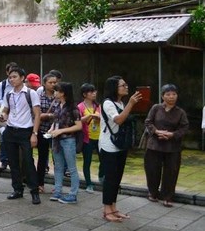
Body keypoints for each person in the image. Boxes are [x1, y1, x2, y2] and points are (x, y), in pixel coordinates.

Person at [99, 76, 142, 222]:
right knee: (110, 179)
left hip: (120, 144)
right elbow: (118, 119)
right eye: (122, 85)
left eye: (125, 84)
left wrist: (128, 104)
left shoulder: (121, 102)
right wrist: (131, 103)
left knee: (117, 178)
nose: (126, 87)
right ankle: (106, 210)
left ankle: (114, 208)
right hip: (109, 145)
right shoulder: (107, 103)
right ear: (114, 88)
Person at [0, 66, 41, 205]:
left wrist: (34, 133)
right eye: (10, 77)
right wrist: (3, 115)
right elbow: (5, 109)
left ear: (22, 78)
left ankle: (34, 191)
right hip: (11, 130)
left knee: (28, 162)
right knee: (13, 162)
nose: (12, 79)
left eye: (15, 76)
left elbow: (37, 114)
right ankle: (17, 189)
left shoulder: (30, 93)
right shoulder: (9, 94)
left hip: (25, 131)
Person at [144, 84, 188, 208]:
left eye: (174, 94)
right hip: (154, 144)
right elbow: (148, 122)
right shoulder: (156, 108)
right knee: (152, 169)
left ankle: (168, 197)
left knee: (171, 172)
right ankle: (152, 192)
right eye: (168, 94)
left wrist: (172, 135)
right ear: (162, 96)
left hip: (172, 146)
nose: (171, 97)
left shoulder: (180, 112)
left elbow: (184, 128)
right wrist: (157, 132)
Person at [48, 82, 82, 204]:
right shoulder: (57, 105)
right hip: (56, 140)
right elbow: (56, 120)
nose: (55, 93)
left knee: (71, 168)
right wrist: (52, 129)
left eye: (57, 91)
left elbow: (78, 126)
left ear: (63, 93)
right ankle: (58, 190)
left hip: (68, 140)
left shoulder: (73, 107)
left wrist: (61, 131)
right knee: (58, 166)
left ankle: (73, 194)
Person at [36, 73, 59, 193]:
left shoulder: (59, 96)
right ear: (44, 84)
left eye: (55, 82)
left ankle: (58, 185)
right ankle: (40, 183)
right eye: (50, 82)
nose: (53, 84)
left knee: (58, 159)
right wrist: (50, 115)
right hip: (43, 131)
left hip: (57, 131)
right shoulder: (39, 96)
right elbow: (37, 114)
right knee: (42, 157)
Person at [77, 83, 102, 193]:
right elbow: (78, 121)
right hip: (87, 137)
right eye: (91, 92)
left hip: (99, 136)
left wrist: (99, 118)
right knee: (87, 161)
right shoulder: (80, 107)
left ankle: (102, 177)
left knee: (104, 160)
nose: (94, 94)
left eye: (94, 91)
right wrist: (89, 116)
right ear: (84, 94)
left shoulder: (98, 106)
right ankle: (89, 183)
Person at [0, 62, 17, 172]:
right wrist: (7, 103)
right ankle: (4, 161)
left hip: (17, 114)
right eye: (10, 72)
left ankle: (15, 161)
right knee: (4, 137)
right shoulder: (1, 85)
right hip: (4, 112)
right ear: (7, 72)